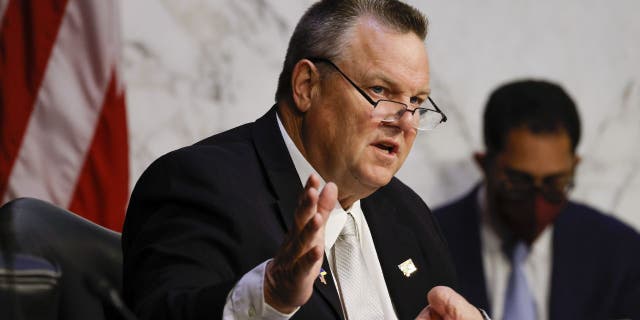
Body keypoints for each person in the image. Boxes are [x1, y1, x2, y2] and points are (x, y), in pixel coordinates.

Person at [122, 1, 489, 319]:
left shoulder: (409, 214)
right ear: (306, 86)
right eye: (380, 91)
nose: (406, 121)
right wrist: (268, 297)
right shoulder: (198, 183)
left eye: (416, 102)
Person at [434, 79, 640, 320]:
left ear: (575, 167)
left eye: (554, 183)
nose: (537, 204)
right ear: (484, 164)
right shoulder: (430, 241)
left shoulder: (619, 253)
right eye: (518, 182)